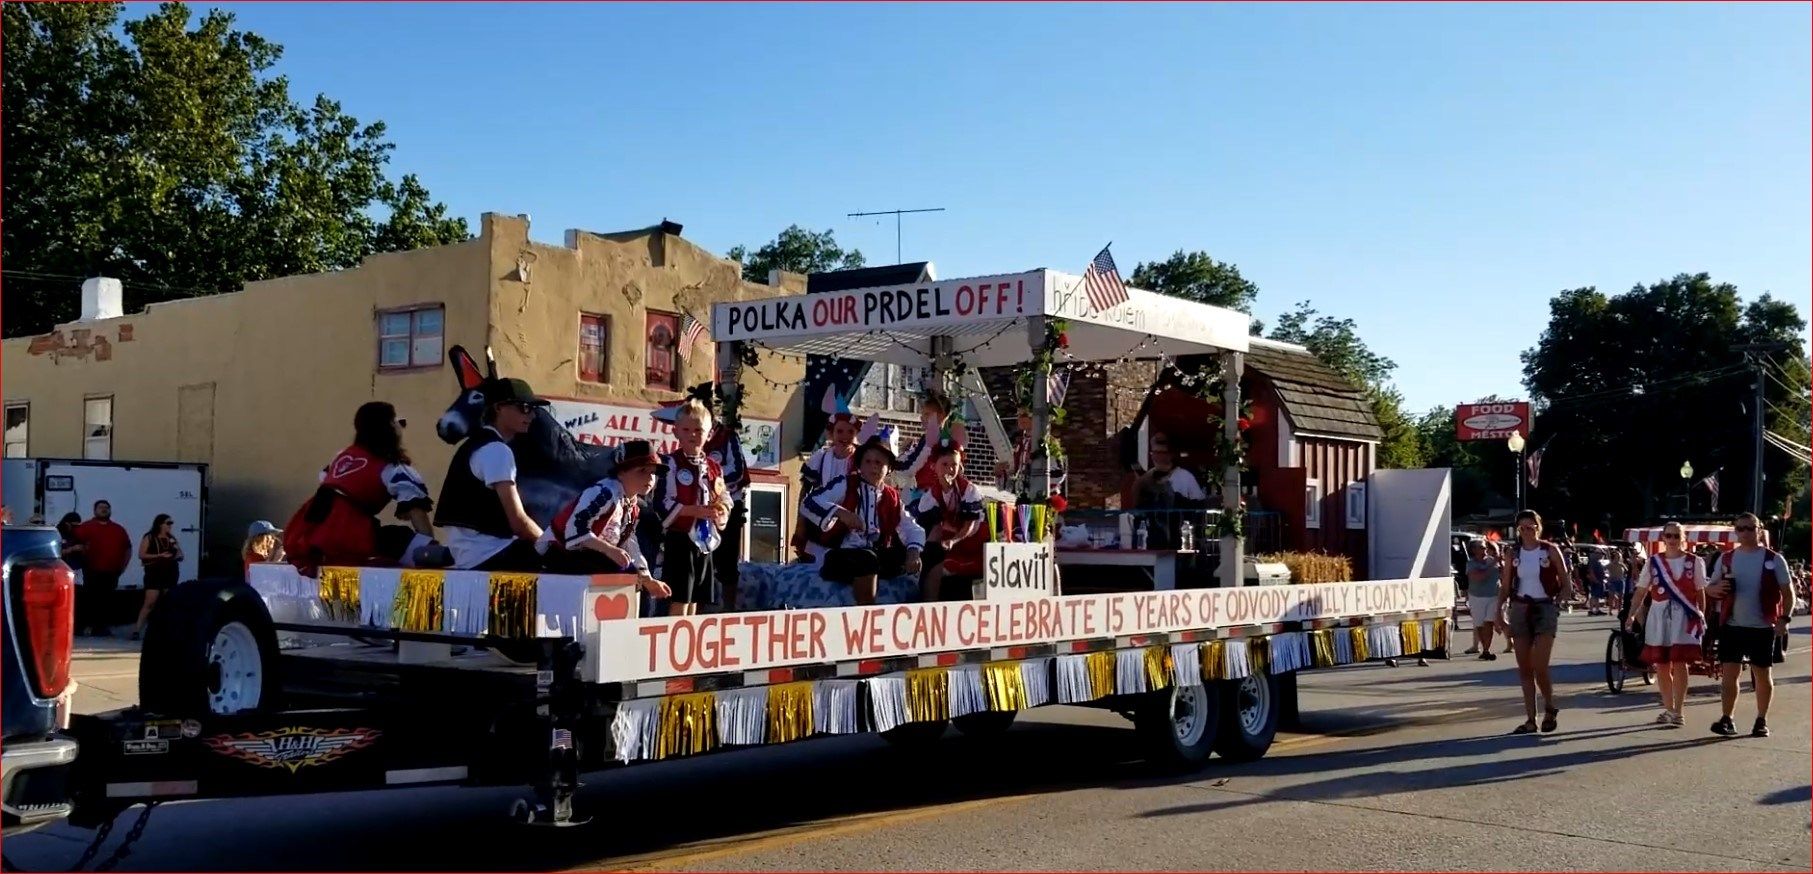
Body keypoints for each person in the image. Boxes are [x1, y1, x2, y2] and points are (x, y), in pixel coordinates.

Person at [284, 402, 438, 576]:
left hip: (311, 526)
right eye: (398, 422)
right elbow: (416, 509)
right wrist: (430, 546)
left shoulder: (342, 456)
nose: (401, 427)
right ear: (390, 428)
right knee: (405, 540)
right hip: (348, 531)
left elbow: (326, 480)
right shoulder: (392, 468)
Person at [433, 378, 549, 570]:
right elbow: (519, 522)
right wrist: (552, 545)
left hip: (470, 555)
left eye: (533, 409)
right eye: (524, 407)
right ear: (499, 408)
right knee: (570, 564)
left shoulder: (473, 445)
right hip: (490, 554)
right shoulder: (496, 450)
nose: (532, 415)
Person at [800, 428, 925, 606]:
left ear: (888, 468)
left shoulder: (892, 496)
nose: (873, 467)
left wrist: (913, 553)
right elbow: (809, 502)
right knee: (867, 560)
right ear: (859, 464)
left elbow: (910, 527)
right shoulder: (845, 484)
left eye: (879, 462)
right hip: (842, 554)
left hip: (875, 553)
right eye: (868, 461)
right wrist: (841, 513)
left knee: (902, 557)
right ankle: (866, 608)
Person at [537, 439, 673, 599]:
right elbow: (574, 531)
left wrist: (647, 578)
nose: (650, 478)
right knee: (620, 570)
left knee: (629, 572)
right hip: (558, 553)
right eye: (643, 471)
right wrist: (609, 550)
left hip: (589, 556)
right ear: (621, 472)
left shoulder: (632, 504)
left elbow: (628, 542)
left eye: (653, 473)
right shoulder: (603, 493)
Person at [1705, 512, 1797, 738]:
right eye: (1741, 529)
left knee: (1762, 674)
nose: (1745, 533)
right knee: (1729, 674)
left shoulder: (1773, 558)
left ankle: (1761, 720)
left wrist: (1784, 619)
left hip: (1762, 626)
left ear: (1759, 530)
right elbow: (1710, 586)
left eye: (1750, 528)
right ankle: (1727, 718)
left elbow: (1788, 593)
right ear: (1736, 532)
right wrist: (1712, 590)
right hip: (1732, 624)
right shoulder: (1726, 558)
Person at [1494, 509, 1574, 734]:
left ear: (1539, 528)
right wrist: (1498, 613)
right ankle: (1531, 718)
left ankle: (1549, 705)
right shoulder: (1513, 552)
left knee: (1540, 666)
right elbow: (1506, 585)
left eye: (1532, 527)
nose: (1527, 531)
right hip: (1520, 607)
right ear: (1518, 530)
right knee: (1524, 668)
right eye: (1523, 528)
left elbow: (1566, 582)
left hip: (1544, 607)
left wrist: (1559, 600)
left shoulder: (1550, 550)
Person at [652, 399, 732, 616]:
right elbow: (661, 503)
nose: (692, 435)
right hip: (680, 538)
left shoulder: (714, 467)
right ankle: (673, 641)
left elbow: (723, 496)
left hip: (705, 539)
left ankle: (688, 640)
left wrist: (721, 511)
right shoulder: (669, 463)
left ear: (709, 433)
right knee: (680, 596)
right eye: (686, 429)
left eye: (699, 430)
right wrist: (691, 511)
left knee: (697, 595)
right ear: (676, 431)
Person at [1626, 521, 1707, 727]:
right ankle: (1668, 709)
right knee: (1661, 664)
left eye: (1675, 536)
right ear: (1663, 538)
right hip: (1659, 614)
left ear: (1683, 538)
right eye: (1668, 536)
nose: (1672, 540)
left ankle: (1678, 711)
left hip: (1684, 616)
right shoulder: (1653, 562)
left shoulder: (1694, 561)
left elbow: (1700, 592)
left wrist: (1700, 615)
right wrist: (1631, 614)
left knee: (1680, 662)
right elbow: (1641, 590)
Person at [793, 388, 862, 560]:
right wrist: (800, 524)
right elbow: (805, 492)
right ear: (831, 433)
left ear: (856, 435)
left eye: (850, 432)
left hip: (852, 523)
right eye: (840, 431)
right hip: (820, 519)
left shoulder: (862, 459)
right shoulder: (820, 458)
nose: (845, 436)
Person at [912, 442, 984, 602]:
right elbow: (932, 527)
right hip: (947, 540)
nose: (950, 469)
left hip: (970, 541)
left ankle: (931, 604)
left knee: (938, 572)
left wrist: (953, 540)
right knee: (927, 561)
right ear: (934, 466)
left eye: (954, 465)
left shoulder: (968, 490)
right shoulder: (931, 495)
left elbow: (970, 525)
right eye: (945, 464)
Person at [1132, 431, 1207, 550]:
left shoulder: (1185, 477)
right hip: (1152, 542)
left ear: (1171, 454)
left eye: (1163, 453)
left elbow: (1200, 509)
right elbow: (1136, 509)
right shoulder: (1145, 480)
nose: (1159, 457)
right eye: (1155, 453)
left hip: (1180, 542)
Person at [74, 500, 132, 636]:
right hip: (91, 571)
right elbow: (75, 544)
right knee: (90, 600)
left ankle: (101, 628)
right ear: (95, 510)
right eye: (101, 507)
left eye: (107, 508)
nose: (104, 510)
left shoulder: (118, 529)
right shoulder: (85, 527)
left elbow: (127, 548)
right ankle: (83, 627)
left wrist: (123, 566)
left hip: (112, 572)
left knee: (107, 601)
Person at [130, 514, 182, 640]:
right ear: (160, 524)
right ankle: (137, 629)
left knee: (168, 602)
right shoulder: (149, 537)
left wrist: (175, 555)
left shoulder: (171, 538)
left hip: (170, 572)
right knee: (150, 602)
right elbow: (142, 554)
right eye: (167, 523)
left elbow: (180, 553)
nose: (170, 526)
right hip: (154, 572)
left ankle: (166, 630)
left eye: (171, 523)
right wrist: (159, 556)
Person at [1462, 540, 1501, 660]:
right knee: (1479, 624)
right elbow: (1479, 577)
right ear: (1474, 550)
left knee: (1489, 622)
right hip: (1477, 597)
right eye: (1481, 548)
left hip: (1493, 596)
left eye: (1485, 547)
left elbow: (1504, 574)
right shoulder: (1471, 563)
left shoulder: (1492, 560)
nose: (1485, 550)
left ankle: (1486, 649)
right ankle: (1484, 647)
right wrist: (1493, 564)